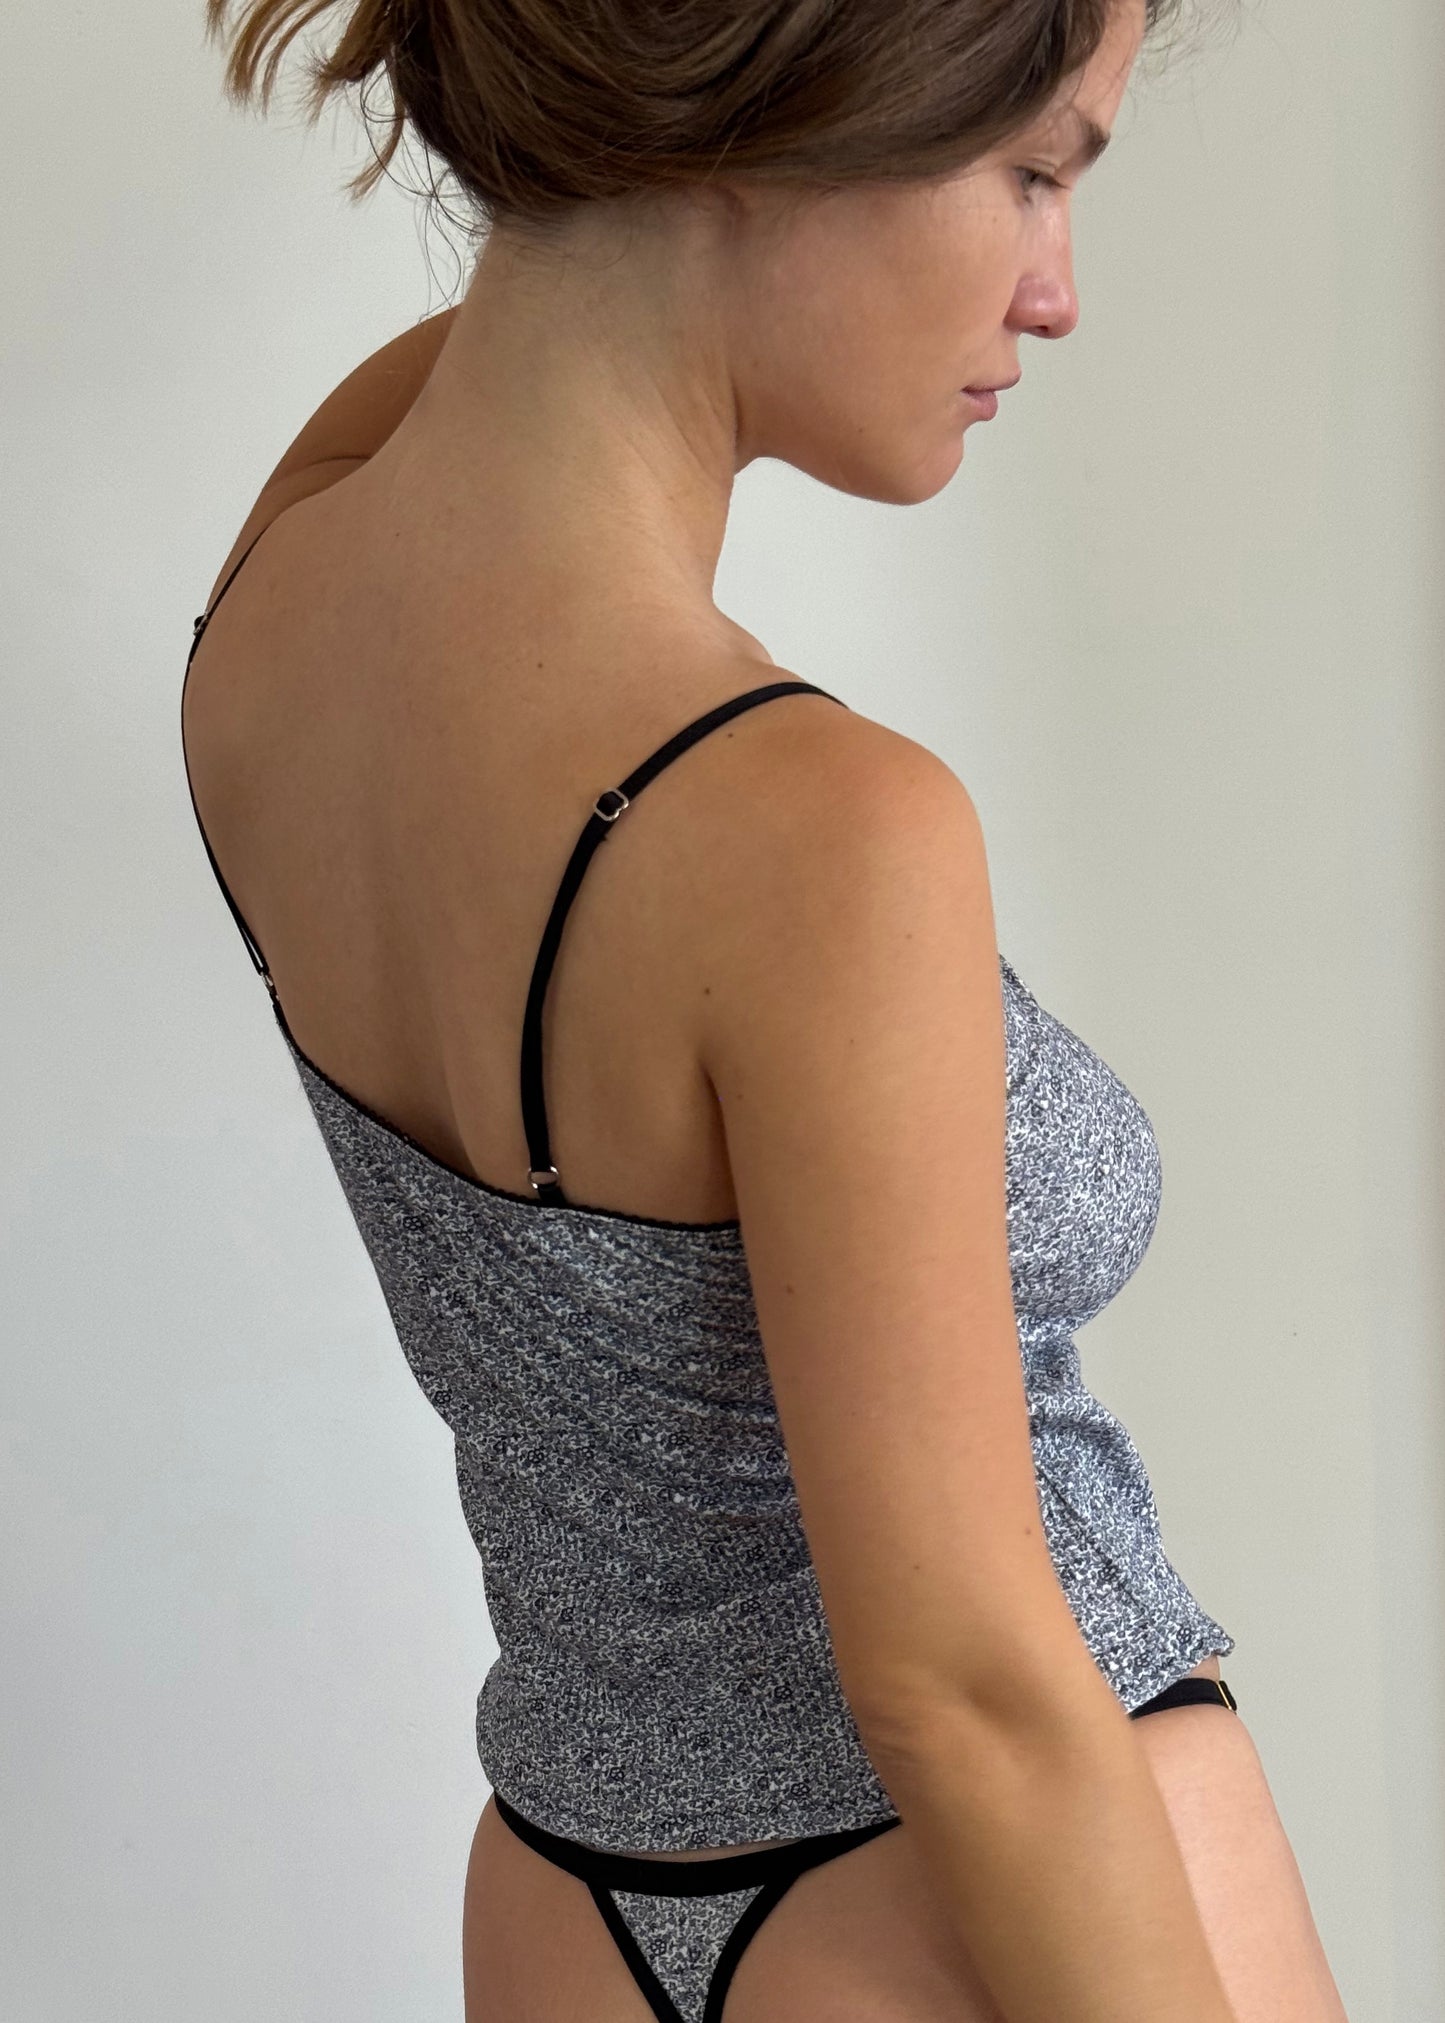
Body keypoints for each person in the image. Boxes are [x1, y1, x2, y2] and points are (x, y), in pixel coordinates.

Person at [183, 0, 1349, 2017]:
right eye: (1035, 170)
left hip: (562, 1893)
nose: (1057, 290)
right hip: (975, 1912)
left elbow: (543, 343)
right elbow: (973, 1697)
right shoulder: (819, 833)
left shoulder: (279, 591)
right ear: (794, 113)